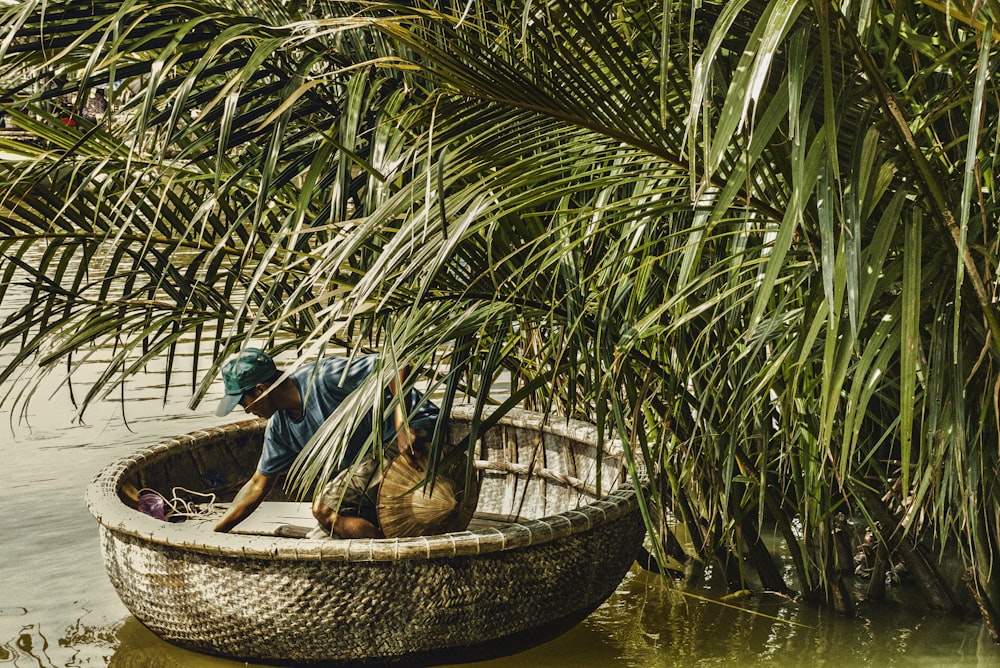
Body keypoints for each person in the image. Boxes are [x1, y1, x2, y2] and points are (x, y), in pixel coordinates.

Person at [211, 348, 438, 538]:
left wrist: (402, 423)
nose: (248, 411)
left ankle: (395, 561)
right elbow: (258, 485)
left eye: (244, 404)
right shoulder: (280, 429)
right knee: (325, 533)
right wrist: (218, 531)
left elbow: (394, 362)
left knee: (325, 508)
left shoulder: (324, 377)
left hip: (417, 433)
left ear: (260, 390)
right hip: (373, 464)